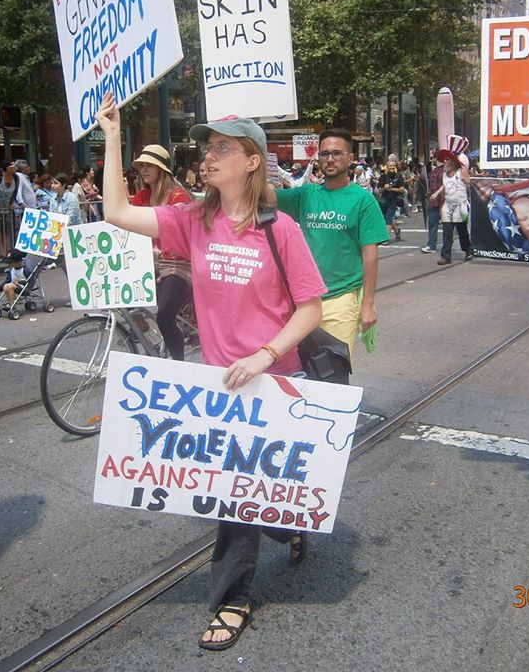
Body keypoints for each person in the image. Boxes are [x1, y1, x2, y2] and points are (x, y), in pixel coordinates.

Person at [96, 91, 325, 652]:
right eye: (206, 148)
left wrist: (264, 356)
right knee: (238, 497)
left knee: (243, 499)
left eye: (222, 147)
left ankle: (233, 597)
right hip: (220, 386)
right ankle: (276, 532)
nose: (208, 156)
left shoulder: (280, 231)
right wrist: (111, 136)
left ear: (251, 160)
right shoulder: (192, 222)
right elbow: (117, 213)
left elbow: (310, 309)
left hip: (273, 380)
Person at [273, 129, 389, 357]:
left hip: (341, 300)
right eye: (324, 154)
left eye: (337, 153)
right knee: (298, 371)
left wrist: (368, 304)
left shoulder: (363, 200)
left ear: (350, 158)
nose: (330, 159)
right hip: (302, 301)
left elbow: (370, 255)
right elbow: (265, 197)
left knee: (333, 372)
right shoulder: (306, 194)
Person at [130, 144, 193, 360]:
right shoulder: (141, 197)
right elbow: (127, 222)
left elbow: (182, 234)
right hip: (152, 261)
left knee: (165, 317)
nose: (144, 170)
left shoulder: (178, 197)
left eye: (150, 165)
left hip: (180, 262)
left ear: (162, 169)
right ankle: (155, 337)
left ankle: (178, 366)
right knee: (124, 302)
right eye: (142, 166)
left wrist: (160, 248)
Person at [431, 137, 472, 265]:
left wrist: (467, 180)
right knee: (447, 232)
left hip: (461, 205)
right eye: (444, 160)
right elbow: (445, 186)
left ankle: (468, 249)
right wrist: (436, 194)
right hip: (448, 205)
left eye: (447, 160)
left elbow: (469, 184)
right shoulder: (444, 175)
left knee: (462, 230)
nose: (445, 162)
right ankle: (446, 256)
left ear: (453, 162)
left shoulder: (460, 173)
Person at [377, 158, 406, 242]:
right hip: (384, 200)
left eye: (393, 166)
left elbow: (402, 189)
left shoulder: (399, 176)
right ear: (387, 167)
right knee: (386, 218)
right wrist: (384, 188)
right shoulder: (383, 176)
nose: (392, 167)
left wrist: (392, 189)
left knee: (388, 219)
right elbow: (379, 190)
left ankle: (386, 238)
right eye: (390, 166)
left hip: (393, 200)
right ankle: (397, 230)